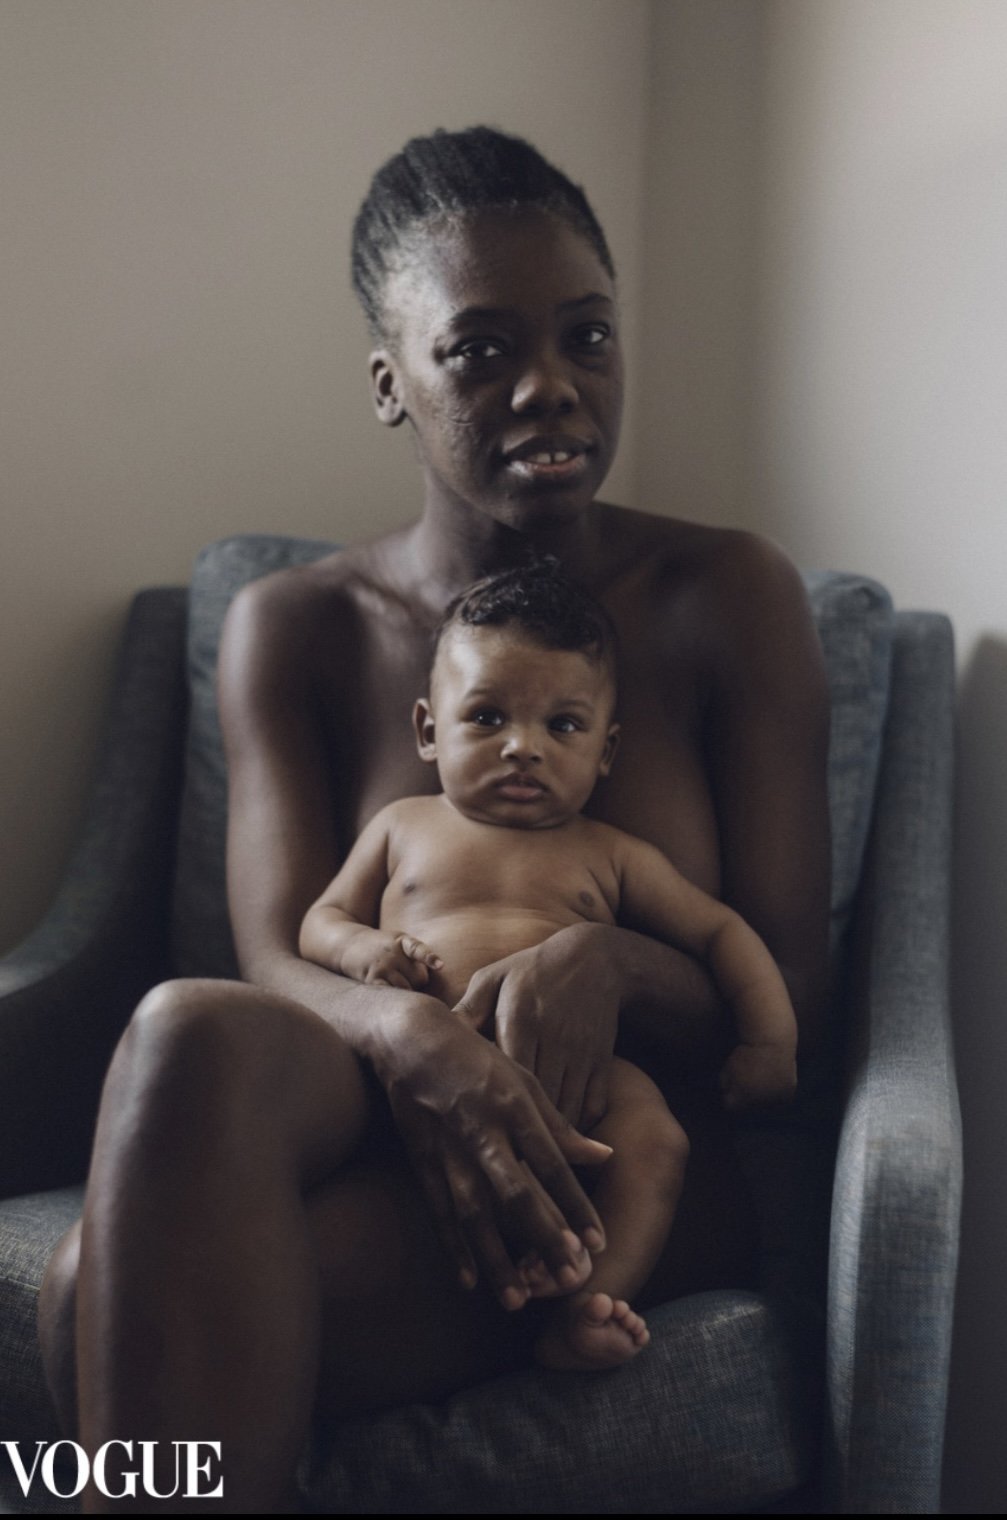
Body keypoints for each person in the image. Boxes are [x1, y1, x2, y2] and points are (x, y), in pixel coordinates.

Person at [38, 126, 830, 1512]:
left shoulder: (724, 598)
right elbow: (276, 959)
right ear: (389, 383)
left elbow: (788, 997)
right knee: (185, 1024)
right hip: (370, 1118)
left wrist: (604, 963)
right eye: (479, 350)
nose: (550, 386)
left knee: (88, 1298)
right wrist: (416, 1043)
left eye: (586, 336)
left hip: (627, 1156)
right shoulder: (295, 629)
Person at [299, 561, 799, 1371]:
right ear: (429, 731)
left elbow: (719, 934)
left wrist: (769, 1043)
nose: (522, 748)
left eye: (562, 727)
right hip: (415, 1069)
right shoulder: (401, 826)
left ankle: (591, 1300)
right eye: (488, 717)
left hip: (575, 1076)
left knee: (654, 1139)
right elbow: (318, 922)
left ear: (606, 752)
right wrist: (364, 951)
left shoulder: (610, 854)